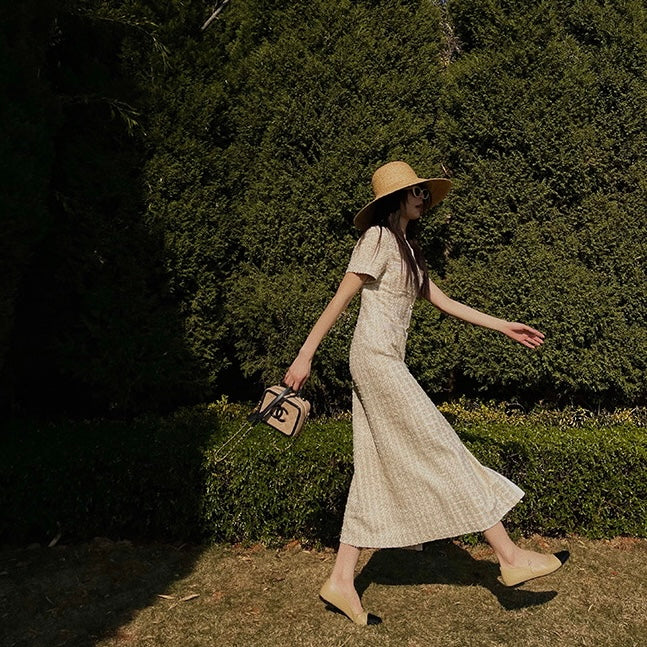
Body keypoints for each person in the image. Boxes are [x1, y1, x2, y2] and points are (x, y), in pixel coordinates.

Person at [282, 161, 569, 626]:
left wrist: (504, 326)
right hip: (374, 359)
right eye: (416, 191)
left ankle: (340, 580)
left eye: (424, 192)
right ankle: (510, 556)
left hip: (386, 361)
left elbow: (443, 302)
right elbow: (341, 298)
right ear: (394, 198)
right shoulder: (376, 239)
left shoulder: (409, 249)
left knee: (373, 469)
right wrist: (305, 355)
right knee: (441, 445)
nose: (423, 197)